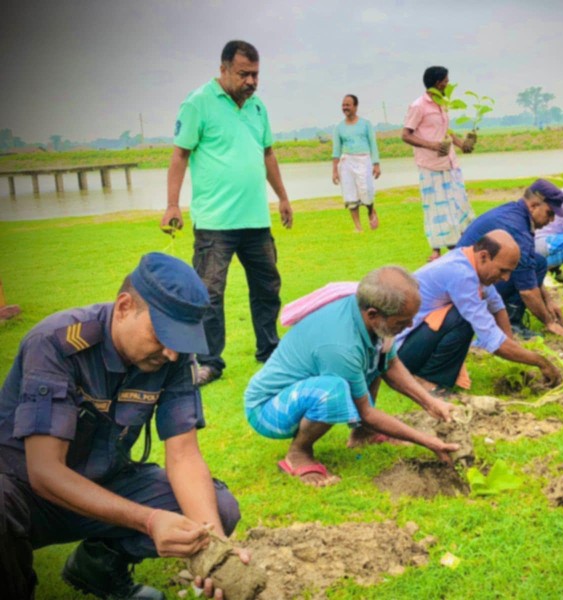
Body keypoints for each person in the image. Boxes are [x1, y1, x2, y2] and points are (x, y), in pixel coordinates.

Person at [0, 253, 246, 600]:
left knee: (216, 508)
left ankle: (97, 566)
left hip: (106, 481)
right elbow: (44, 471)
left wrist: (214, 550)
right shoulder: (55, 343)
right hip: (26, 494)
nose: (171, 353)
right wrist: (149, 520)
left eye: (180, 340)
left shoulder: (172, 356)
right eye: (162, 335)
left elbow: (184, 456)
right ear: (124, 307)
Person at [245, 267, 459, 487]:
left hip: (300, 393)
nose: (410, 325)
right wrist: (427, 441)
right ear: (373, 314)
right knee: (332, 390)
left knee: (375, 356)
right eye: (401, 322)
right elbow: (365, 412)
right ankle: (299, 453)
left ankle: (363, 434)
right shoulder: (340, 346)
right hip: (268, 410)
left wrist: (431, 403)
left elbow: (389, 363)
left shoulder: (367, 310)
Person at [160, 40, 293, 387]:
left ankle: (269, 349)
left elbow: (267, 154)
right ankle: (208, 362)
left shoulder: (258, 107)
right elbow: (179, 155)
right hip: (215, 223)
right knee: (209, 293)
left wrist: (282, 197)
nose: (251, 81)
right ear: (223, 70)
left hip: (256, 219)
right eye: (243, 74)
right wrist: (173, 204)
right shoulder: (198, 102)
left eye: (255, 75)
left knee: (267, 287)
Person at [397, 230, 563, 393]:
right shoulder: (461, 274)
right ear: (484, 256)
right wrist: (541, 362)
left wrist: (511, 343)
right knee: (461, 318)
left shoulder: (470, 262)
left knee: (465, 313)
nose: (506, 278)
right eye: (503, 270)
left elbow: (496, 305)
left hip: (411, 341)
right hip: (398, 353)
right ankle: (427, 379)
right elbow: (492, 339)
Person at [456, 180, 563, 339]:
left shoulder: (516, 213)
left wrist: (548, 301)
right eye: (549, 213)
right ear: (534, 206)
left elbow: (530, 267)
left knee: (538, 262)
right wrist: (549, 323)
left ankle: (506, 313)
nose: (551, 220)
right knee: (523, 273)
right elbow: (527, 290)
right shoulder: (517, 228)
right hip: (466, 288)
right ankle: (511, 322)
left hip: (470, 279)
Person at [402, 66, 475, 262]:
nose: (448, 84)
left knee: (459, 204)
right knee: (436, 207)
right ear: (437, 83)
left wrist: (462, 144)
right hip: (431, 165)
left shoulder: (442, 104)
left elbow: (446, 131)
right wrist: (432, 145)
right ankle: (438, 249)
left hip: (450, 163)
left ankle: (460, 244)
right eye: (446, 81)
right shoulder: (418, 106)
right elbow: (406, 135)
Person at [332, 94, 381, 232]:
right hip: (346, 162)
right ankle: (358, 227)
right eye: (343, 105)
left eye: (348, 105)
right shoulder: (339, 127)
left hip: (364, 160)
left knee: (366, 191)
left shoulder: (366, 124)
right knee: (350, 194)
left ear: (355, 106)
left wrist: (376, 164)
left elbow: (373, 145)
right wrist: (335, 171)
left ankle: (371, 211)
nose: (345, 107)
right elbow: (336, 151)